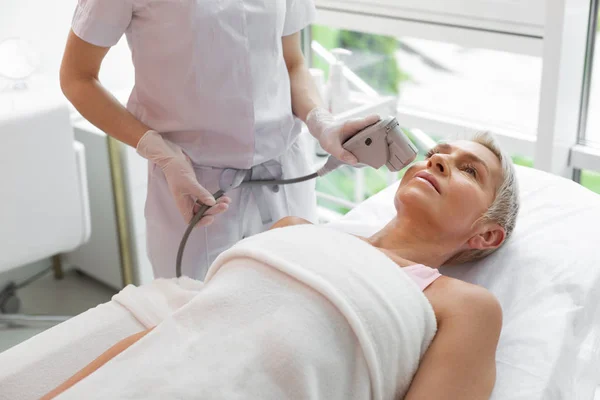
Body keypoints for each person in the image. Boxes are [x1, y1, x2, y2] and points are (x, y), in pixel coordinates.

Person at [42, 132, 519, 399]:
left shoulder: (462, 304)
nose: (436, 162)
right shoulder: (294, 230)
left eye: (468, 170)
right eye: (437, 153)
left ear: (486, 234)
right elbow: (178, 328)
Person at [60, 0, 379, 280]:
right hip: (195, 187)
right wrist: (163, 154)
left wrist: (321, 122)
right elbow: (77, 77)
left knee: (299, 305)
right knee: (198, 321)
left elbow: (291, 62)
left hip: (285, 177)